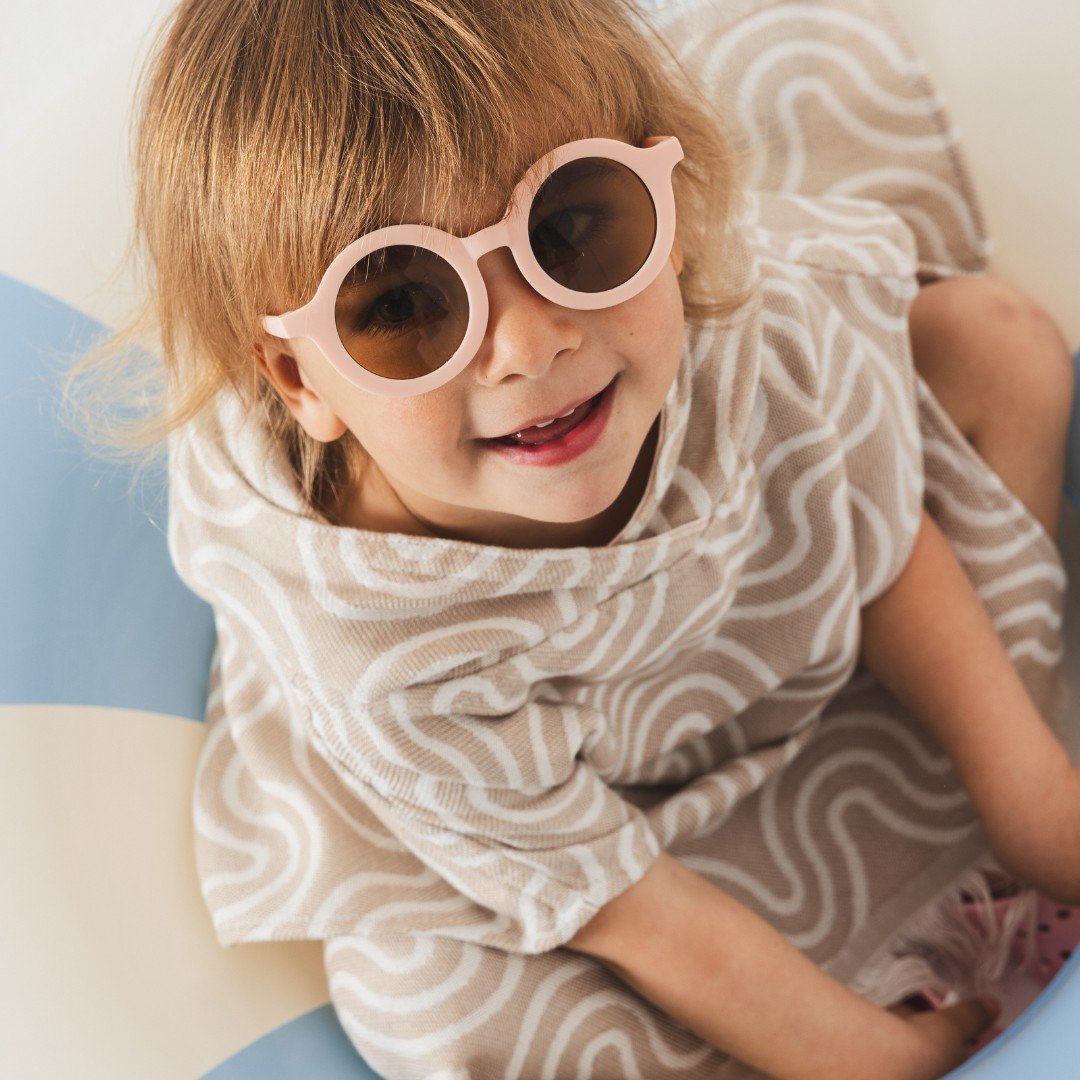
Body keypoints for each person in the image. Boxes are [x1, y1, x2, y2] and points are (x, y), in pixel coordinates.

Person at [62, 0, 1078, 1076]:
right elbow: (615, 902)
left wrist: (1025, 799)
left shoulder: (749, 337)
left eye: (569, 226)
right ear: (304, 382)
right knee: (424, 1011)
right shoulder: (379, 649)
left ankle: (973, 825)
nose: (527, 342)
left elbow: (874, 530)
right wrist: (863, 1056)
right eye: (406, 302)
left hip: (772, 616)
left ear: (668, 214)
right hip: (541, 817)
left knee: (998, 346)